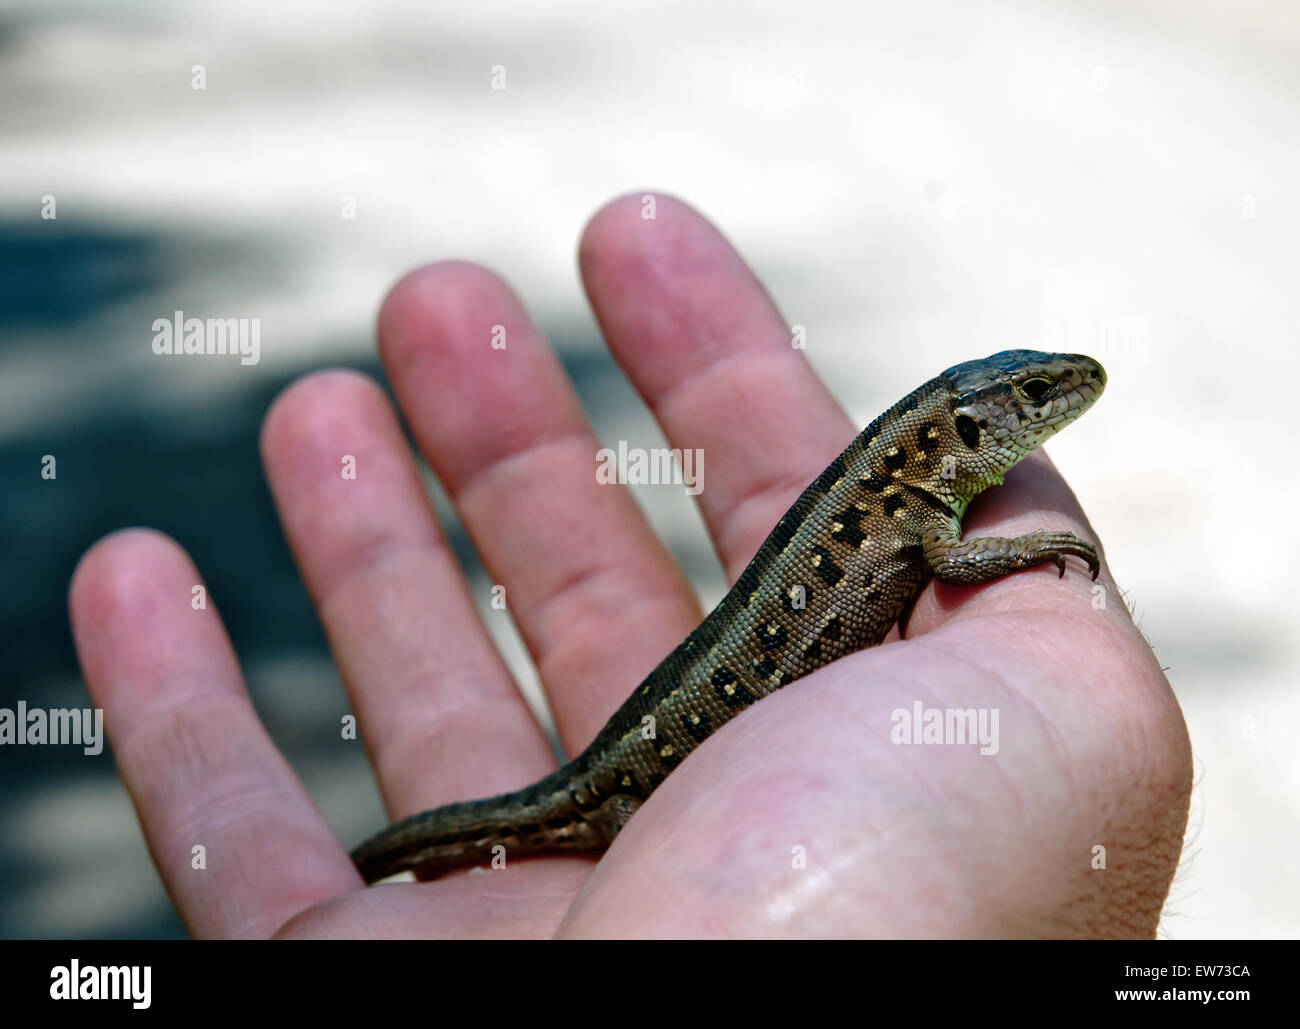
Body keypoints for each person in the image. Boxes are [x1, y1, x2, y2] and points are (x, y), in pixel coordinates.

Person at [68, 194, 1191, 938]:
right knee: (534, 812)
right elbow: (951, 561)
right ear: (958, 436)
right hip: (619, 789)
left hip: (636, 789)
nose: (1056, 404)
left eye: (1041, 392)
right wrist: (1040, 543)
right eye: (1033, 399)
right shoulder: (923, 509)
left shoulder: (908, 486)